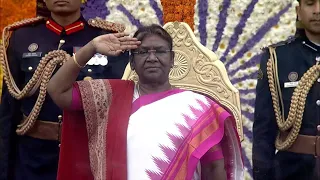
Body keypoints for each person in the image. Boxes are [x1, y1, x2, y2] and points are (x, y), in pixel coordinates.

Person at [47, 24, 244, 180]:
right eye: (143, 52)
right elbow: (57, 90)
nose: (152, 58)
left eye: (159, 51)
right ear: (132, 62)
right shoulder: (110, 95)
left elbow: (213, 166)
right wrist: (89, 49)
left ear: (172, 59)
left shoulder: (198, 107)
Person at [0, 0, 129, 179]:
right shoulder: (22, 38)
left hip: (86, 156)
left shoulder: (106, 37)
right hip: (32, 159)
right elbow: (9, 109)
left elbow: (118, 104)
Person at [252, 0, 320, 179]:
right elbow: (263, 131)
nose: (317, 11)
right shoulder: (276, 59)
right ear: (298, 10)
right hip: (292, 171)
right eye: (310, 3)